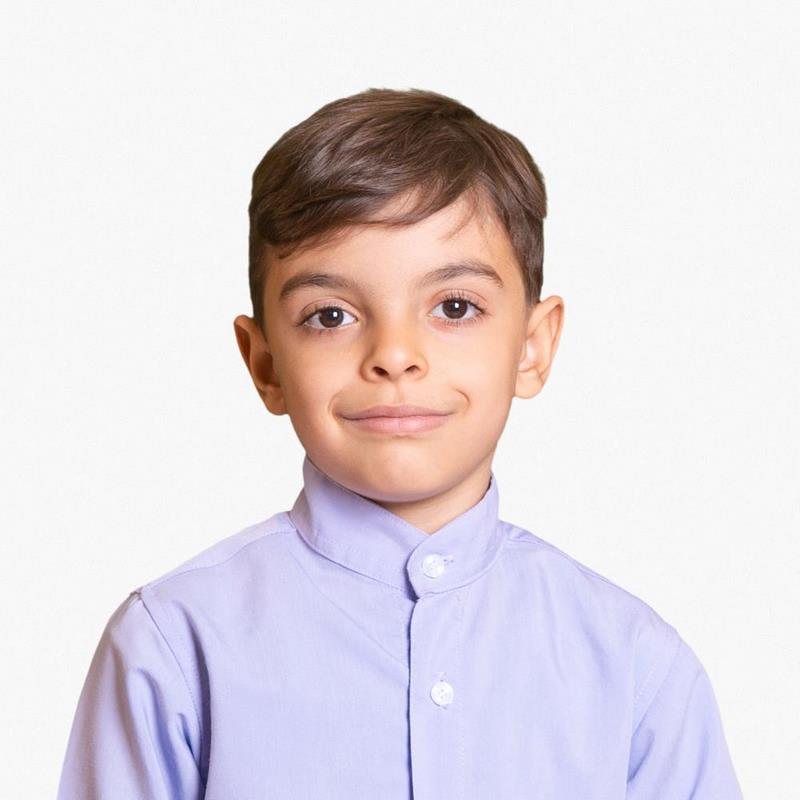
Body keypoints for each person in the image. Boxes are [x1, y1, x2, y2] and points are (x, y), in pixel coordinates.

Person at [56, 88, 743, 799]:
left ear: (533, 347)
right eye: (330, 316)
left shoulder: (636, 668)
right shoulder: (173, 646)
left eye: (455, 307)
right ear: (265, 364)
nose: (395, 355)